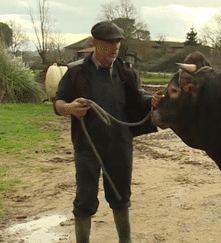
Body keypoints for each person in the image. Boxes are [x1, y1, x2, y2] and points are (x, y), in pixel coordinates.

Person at [54, 21, 164, 243]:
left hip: (120, 146)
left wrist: (151, 101)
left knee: (121, 197)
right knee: (84, 200)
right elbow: (58, 103)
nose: (114, 48)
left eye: (118, 43)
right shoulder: (76, 73)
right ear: (96, 43)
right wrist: (70, 109)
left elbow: (138, 99)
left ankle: (126, 241)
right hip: (87, 146)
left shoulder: (125, 72)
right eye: (108, 43)